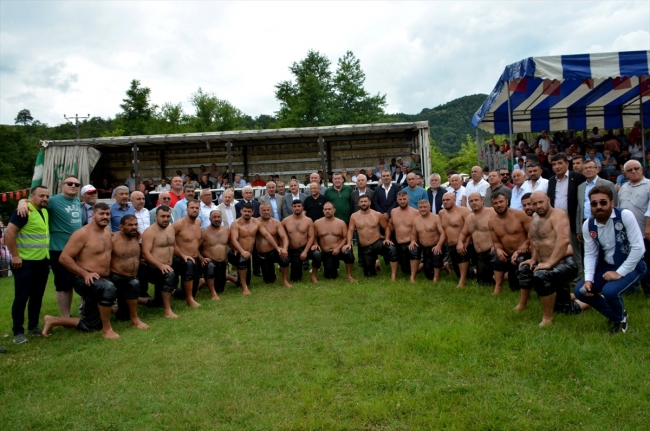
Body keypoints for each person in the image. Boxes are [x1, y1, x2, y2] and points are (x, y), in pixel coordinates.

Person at [574, 185, 647, 333]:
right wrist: (588, 279)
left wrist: (619, 272)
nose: (598, 207)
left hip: (633, 265)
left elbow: (639, 248)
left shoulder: (625, 215)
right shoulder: (588, 224)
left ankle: (620, 323)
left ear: (612, 203)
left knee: (610, 291)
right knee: (580, 291)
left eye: (603, 202)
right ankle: (617, 315)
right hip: (607, 266)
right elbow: (590, 254)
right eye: (594, 204)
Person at [43, 203, 120, 339]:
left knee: (92, 325)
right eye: (101, 213)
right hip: (84, 280)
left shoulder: (107, 230)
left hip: (103, 279)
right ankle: (107, 330)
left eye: (107, 214)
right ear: (93, 214)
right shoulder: (82, 234)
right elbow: (64, 258)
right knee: (108, 288)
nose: (105, 217)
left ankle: (53, 320)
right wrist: (85, 273)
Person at [17, 176, 82, 318]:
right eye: (69, 183)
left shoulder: (77, 201)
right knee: (62, 283)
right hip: (59, 249)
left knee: (70, 283)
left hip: (76, 249)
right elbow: (36, 201)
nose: (73, 186)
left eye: (76, 184)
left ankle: (68, 315)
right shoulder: (53, 200)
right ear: (62, 186)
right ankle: (65, 317)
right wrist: (22, 202)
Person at [518, 191, 584, 326]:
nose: (538, 206)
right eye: (534, 204)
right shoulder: (535, 217)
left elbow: (564, 240)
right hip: (547, 262)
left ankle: (548, 319)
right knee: (525, 268)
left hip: (565, 262)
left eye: (540, 202)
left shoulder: (558, 215)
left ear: (548, 200)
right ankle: (522, 305)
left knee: (542, 276)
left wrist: (549, 263)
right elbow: (536, 241)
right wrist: (533, 259)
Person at [5, 185, 51, 344]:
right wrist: (15, 255)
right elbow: (9, 233)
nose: (45, 199)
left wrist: (22, 200)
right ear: (32, 197)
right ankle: (18, 332)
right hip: (24, 263)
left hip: (42, 261)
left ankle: (33, 326)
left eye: (47, 196)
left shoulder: (44, 211)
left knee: (37, 296)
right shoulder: (24, 211)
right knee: (21, 297)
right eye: (41, 196)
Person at [546, 153, 586, 280]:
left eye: (560, 163)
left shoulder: (577, 177)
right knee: (558, 251)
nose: (557, 167)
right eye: (554, 164)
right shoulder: (552, 180)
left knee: (575, 253)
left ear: (567, 164)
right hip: (557, 222)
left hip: (572, 221)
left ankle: (577, 281)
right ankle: (562, 277)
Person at [231, 203, 282, 293]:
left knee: (247, 280)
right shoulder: (236, 224)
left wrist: (277, 248)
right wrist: (241, 251)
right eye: (245, 211)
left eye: (249, 211)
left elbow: (266, 235)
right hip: (238, 252)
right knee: (242, 263)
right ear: (241, 211)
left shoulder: (256, 222)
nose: (247, 213)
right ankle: (244, 288)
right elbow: (234, 239)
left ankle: (234, 279)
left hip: (249, 253)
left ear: (253, 212)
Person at [617, 160, 650, 297]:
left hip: (645, 231)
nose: (633, 171)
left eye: (636, 168)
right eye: (629, 170)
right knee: (630, 261)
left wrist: (648, 227)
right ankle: (631, 289)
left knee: (647, 261)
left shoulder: (649, 185)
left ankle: (648, 291)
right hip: (627, 233)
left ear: (642, 169)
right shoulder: (623, 187)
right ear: (625, 173)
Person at [109, 215, 149, 329]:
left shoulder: (135, 237)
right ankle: (135, 319)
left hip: (131, 276)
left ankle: (115, 309)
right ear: (121, 227)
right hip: (116, 277)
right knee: (134, 284)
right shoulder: (113, 239)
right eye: (130, 225)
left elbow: (129, 255)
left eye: (135, 224)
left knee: (123, 316)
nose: (134, 227)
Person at [488, 192, 531, 295]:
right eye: (495, 203)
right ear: (492, 205)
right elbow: (496, 242)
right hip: (507, 254)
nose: (499, 205)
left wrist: (526, 244)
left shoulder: (520, 215)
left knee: (515, 287)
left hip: (523, 252)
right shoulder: (492, 222)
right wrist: (498, 250)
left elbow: (533, 234)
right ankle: (498, 287)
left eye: (501, 202)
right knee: (495, 256)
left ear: (507, 202)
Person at [346, 195, 397, 279]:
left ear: (369, 202)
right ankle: (376, 263)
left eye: (365, 201)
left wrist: (387, 239)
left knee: (392, 249)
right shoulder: (354, 216)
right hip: (366, 247)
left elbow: (387, 227)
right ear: (358, 204)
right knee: (369, 275)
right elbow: (350, 230)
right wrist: (348, 243)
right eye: (361, 202)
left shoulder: (377, 214)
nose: (363, 203)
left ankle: (393, 274)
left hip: (377, 242)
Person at [141, 206, 179, 318]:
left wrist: (183, 255)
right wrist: (160, 265)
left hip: (168, 265)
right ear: (156, 216)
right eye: (162, 216)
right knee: (169, 275)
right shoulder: (149, 232)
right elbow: (145, 253)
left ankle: (135, 299)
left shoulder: (171, 229)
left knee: (158, 303)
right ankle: (168, 311)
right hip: (153, 267)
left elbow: (174, 246)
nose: (166, 219)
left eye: (168, 216)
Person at [457, 192, 495, 287]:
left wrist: (496, 245)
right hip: (478, 253)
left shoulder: (491, 212)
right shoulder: (470, 217)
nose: (474, 203)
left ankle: (503, 275)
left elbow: (501, 230)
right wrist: (460, 243)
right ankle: (462, 280)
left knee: (486, 283)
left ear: (482, 200)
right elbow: (463, 233)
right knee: (482, 282)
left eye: (476, 200)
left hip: (491, 251)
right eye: (471, 201)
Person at [576, 160, 618, 242]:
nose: (588, 170)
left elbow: (615, 205)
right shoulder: (580, 187)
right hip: (586, 222)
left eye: (590, 167)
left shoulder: (608, 184)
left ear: (597, 169)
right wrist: (578, 229)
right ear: (582, 172)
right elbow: (579, 209)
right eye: (585, 168)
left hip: (604, 221)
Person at [314, 202, 357, 282]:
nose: (327, 211)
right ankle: (332, 267)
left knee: (348, 253)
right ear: (323, 211)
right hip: (326, 252)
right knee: (330, 276)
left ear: (334, 210)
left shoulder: (341, 223)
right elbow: (314, 237)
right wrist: (316, 244)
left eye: (329, 209)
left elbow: (345, 238)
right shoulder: (317, 223)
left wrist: (338, 248)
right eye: (325, 209)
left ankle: (349, 276)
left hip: (339, 249)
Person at [171, 200, 203, 308]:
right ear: (187, 209)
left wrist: (200, 256)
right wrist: (182, 255)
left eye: (197, 208)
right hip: (182, 259)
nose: (195, 210)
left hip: (195, 258)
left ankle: (173, 292)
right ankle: (189, 300)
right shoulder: (178, 224)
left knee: (192, 291)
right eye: (192, 207)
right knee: (188, 265)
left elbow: (195, 242)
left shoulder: (198, 222)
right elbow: (171, 242)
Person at [282, 200, 321, 284]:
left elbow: (311, 237)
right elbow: (282, 237)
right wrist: (283, 248)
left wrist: (306, 251)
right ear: (291, 208)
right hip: (293, 250)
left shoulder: (308, 220)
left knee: (317, 255)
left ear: (302, 208)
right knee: (295, 279)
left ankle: (313, 276)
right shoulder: (285, 221)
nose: (297, 208)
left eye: (299, 206)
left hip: (305, 247)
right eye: (295, 206)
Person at [200, 209, 236, 300]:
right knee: (210, 267)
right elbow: (196, 248)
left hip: (222, 262)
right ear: (210, 219)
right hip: (210, 262)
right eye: (214, 217)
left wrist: (235, 249)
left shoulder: (226, 230)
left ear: (221, 218)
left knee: (220, 289)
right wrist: (201, 259)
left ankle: (203, 281)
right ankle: (213, 294)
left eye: (218, 217)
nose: (217, 219)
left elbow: (230, 243)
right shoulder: (203, 232)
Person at [439, 192, 472, 288]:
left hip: (463, 244)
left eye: (448, 200)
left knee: (462, 265)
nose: (445, 202)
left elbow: (471, 228)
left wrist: (465, 242)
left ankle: (462, 282)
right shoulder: (441, 213)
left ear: (454, 200)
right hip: (450, 246)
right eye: (443, 200)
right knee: (459, 272)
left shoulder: (464, 211)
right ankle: (473, 272)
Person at [409, 199, 446, 282]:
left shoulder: (436, 218)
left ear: (429, 207)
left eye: (425, 207)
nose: (422, 209)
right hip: (424, 247)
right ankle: (412, 277)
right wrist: (413, 241)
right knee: (428, 274)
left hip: (435, 245)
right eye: (420, 207)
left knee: (436, 257)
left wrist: (439, 245)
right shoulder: (416, 220)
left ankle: (436, 278)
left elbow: (443, 233)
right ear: (418, 208)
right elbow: (413, 234)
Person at [256, 204, 291, 287]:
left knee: (284, 259)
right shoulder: (255, 222)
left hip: (275, 250)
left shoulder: (276, 223)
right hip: (263, 253)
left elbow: (284, 237)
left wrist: (284, 248)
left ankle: (285, 280)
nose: (266, 212)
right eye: (263, 210)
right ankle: (273, 274)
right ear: (259, 211)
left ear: (270, 211)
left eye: (268, 210)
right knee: (269, 281)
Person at [390, 190, 420, 280]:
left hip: (411, 243)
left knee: (414, 252)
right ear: (397, 200)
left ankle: (413, 277)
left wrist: (414, 240)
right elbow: (390, 225)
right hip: (399, 243)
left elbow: (420, 228)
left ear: (408, 199)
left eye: (404, 199)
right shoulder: (393, 211)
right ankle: (420, 265)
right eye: (400, 199)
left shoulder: (416, 212)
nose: (402, 201)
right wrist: (387, 238)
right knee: (405, 270)